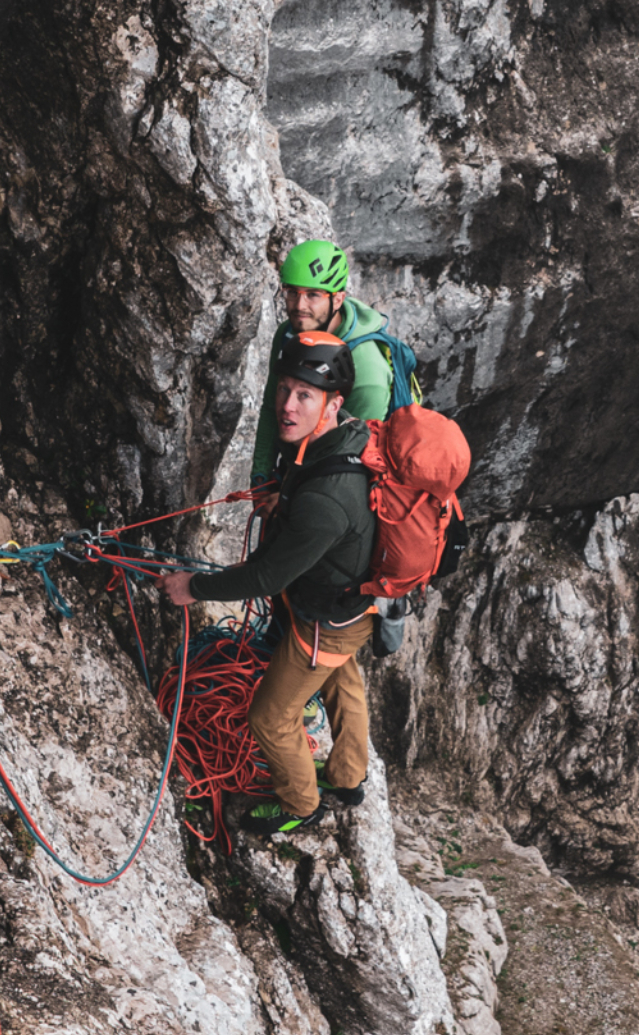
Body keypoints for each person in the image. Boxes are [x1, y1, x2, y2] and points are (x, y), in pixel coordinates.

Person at [163, 330, 376, 835]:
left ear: (333, 403)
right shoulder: (348, 439)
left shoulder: (327, 499)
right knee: (341, 681)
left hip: (325, 618)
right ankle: (348, 779)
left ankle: (302, 807)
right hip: (355, 604)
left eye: (305, 395)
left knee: (270, 717)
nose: (287, 405)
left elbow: (266, 575)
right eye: (284, 389)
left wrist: (192, 588)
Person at [251, 240, 394, 483]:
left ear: (337, 299)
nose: (299, 306)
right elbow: (271, 407)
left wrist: (289, 494)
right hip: (296, 467)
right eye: (292, 292)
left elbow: (355, 457)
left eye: (313, 295)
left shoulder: (367, 370)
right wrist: (261, 477)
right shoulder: (290, 335)